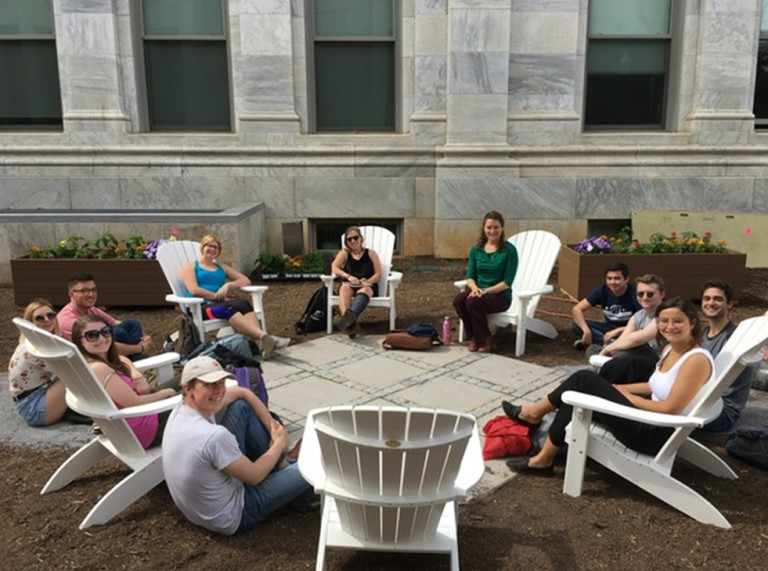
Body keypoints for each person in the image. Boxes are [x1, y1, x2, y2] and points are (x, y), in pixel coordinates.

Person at [504, 297, 714, 475]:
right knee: (582, 389)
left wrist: (626, 396)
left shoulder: (695, 360)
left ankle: (534, 417)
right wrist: (618, 389)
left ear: (693, 323)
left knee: (583, 380)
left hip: (653, 434)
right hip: (647, 419)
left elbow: (671, 409)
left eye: (678, 321)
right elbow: (653, 386)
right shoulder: (671, 349)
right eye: (664, 320)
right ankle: (544, 454)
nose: (669, 326)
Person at [162, 356, 313, 535]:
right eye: (209, 384)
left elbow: (243, 393)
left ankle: (283, 467)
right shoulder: (213, 437)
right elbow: (254, 477)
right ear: (188, 388)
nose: (218, 390)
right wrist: (279, 444)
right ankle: (298, 495)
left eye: (221, 382)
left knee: (241, 407)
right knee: (317, 462)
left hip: (202, 508)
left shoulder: (183, 409)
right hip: (234, 513)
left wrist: (273, 427)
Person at [599, 279, 755, 433]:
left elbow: (688, 382)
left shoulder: (732, 338)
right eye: (707, 298)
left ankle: (604, 398)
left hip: (717, 410)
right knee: (633, 362)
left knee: (635, 359)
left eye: (718, 299)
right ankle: (605, 392)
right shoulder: (705, 334)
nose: (711, 302)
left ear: (730, 304)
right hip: (694, 395)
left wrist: (630, 397)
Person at [73, 315, 176, 448]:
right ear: (79, 342)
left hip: (138, 420)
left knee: (190, 381)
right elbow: (134, 403)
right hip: (146, 428)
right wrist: (165, 393)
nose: (102, 338)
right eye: (92, 335)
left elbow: (121, 358)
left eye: (105, 332)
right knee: (201, 394)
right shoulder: (99, 368)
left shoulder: (100, 361)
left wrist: (137, 376)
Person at [181, 234, 289, 360]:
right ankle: (265, 338)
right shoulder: (192, 266)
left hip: (218, 304)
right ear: (202, 247)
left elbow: (245, 280)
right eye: (209, 246)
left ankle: (261, 342)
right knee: (227, 308)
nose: (212, 249)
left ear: (219, 252)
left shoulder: (221, 268)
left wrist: (228, 285)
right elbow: (194, 290)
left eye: (215, 247)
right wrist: (215, 297)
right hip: (200, 308)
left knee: (243, 304)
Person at [8, 299, 89, 427]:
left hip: (41, 392)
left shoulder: (40, 341)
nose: (47, 319)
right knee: (74, 375)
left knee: (76, 373)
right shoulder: (33, 349)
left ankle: (73, 409)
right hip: (33, 407)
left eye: (51, 315)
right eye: (39, 318)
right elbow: (70, 368)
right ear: (31, 323)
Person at [452, 211, 518, 353]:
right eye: (489, 227)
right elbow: (470, 276)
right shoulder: (476, 249)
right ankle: (478, 337)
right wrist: (475, 288)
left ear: (502, 228)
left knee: (473, 302)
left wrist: (485, 291)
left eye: (496, 227)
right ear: (484, 228)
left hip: (500, 296)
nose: (492, 231)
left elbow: (507, 282)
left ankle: (482, 339)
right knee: (458, 300)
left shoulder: (509, 251)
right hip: (479, 292)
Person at [57, 273, 151, 361]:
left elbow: (114, 322)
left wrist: (144, 336)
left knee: (132, 323)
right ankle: (138, 358)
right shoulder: (69, 321)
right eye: (84, 291)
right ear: (71, 294)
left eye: (93, 290)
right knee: (119, 332)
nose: (91, 294)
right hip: (92, 357)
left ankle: (137, 358)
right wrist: (140, 348)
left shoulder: (90, 309)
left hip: (104, 348)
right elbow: (102, 347)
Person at [592, 274, 666, 360]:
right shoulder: (639, 315)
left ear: (662, 294)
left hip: (658, 360)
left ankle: (607, 365)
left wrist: (607, 350)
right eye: (640, 294)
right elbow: (624, 338)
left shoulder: (666, 315)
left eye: (650, 294)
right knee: (593, 349)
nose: (645, 298)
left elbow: (636, 340)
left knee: (631, 350)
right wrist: (608, 350)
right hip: (638, 358)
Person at [571, 261, 640, 349]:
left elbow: (642, 323)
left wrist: (619, 330)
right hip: (607, 328)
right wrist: (586, 331)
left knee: (635, 335)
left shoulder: (635, 294)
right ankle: (612, 344)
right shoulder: (603, 290)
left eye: (617, 278)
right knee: (576, 326)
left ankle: (604, 344)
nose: (612, 282)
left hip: (627, 330)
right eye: (609, 278)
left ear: (626, 279)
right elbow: (577, 309)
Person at [331, 226, 382, 338]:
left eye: (355, 237)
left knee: (364, 290)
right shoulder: (344, 253)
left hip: (366, 285)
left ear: (361, 239)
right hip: (350, 284)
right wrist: (348, 276)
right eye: (349, 239)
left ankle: (348, 322)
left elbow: (378, 274)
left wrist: (367, 281)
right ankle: (351, 325)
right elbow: (334, 267)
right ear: (346, 242)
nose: (353, 241)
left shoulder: (371, 253)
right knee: (344, 288)